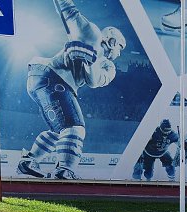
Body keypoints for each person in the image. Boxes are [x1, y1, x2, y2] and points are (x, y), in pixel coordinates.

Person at [18, 0, 125, 180]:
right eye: (120, 47)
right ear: (112, 41)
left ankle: (29, 160)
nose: (119, 53)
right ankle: (65, 169)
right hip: (54, 78)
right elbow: (68, 10)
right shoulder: (92, 35)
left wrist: (90, 60)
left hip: (40, 78)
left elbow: (93, 81)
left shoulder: (107, 65)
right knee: (75, 128)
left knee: (59, 131)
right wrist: (88, 57)